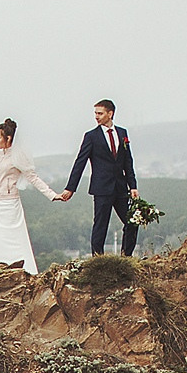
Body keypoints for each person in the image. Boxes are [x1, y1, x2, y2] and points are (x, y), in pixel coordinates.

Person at [0, 118, 60, 274]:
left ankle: (23, 271)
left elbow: (33, 177)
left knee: (15, 241)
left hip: (10, 205)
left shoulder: (18, 156)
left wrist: (52, 195)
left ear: (8, 138)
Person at [57, 99, 140, 256]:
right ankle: (97, 258)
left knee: (133, 222)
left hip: (121, 188)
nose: (96, 116)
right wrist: (70, 188)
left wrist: (133, 185)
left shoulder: (122, 133)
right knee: (100, 225)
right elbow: (80, 163)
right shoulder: (91, 136)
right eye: (95, 113)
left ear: (110, 114)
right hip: (101, 188)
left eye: (100, 113)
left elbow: (128, 161)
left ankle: (126, 256)